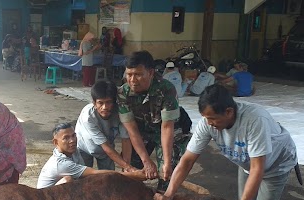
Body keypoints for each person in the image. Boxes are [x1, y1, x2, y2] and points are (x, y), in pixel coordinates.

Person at [154, 85, 297, 200]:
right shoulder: (207, 124)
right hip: (247, 163)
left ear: (229, 112)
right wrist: (169, 194)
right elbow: (187, 160)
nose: (209, 123)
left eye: (213, 118)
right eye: (206, 118)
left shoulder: (254, 120)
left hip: (276, 164)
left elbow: (258, 168)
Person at [118, 50, 191, 191]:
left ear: (150, 73)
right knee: (129, 173)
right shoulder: (123, 93)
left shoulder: (167, 89)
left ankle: (163, 197)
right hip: (141, 133)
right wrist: (146, 161)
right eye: (129, 74)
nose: (132, 80)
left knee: (167, 173)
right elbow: (132, 130)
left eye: (138, 75)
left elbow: (167, 127)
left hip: (168, 132)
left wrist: (167, 161)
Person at [37, 122, 144, 188]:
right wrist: (133, 175)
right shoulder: (60, 163)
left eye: (73, 136)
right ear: (55, 142)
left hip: (53, 196)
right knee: (68, 180)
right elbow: (95, 173)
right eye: (66, 138)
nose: (72, 141)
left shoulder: (74, 151)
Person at [75, 80, 134, 171]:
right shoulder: (88, 116)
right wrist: (128, 167)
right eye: (100, 103)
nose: (105, 107)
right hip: (84, 148)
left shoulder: (121, 113)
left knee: (108, 177)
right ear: (94, 103)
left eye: (108, 102)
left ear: (114, 102)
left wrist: (126, 166)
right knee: (83, 177)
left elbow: (126, 140)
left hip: (106, 151)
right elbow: (105, 146)